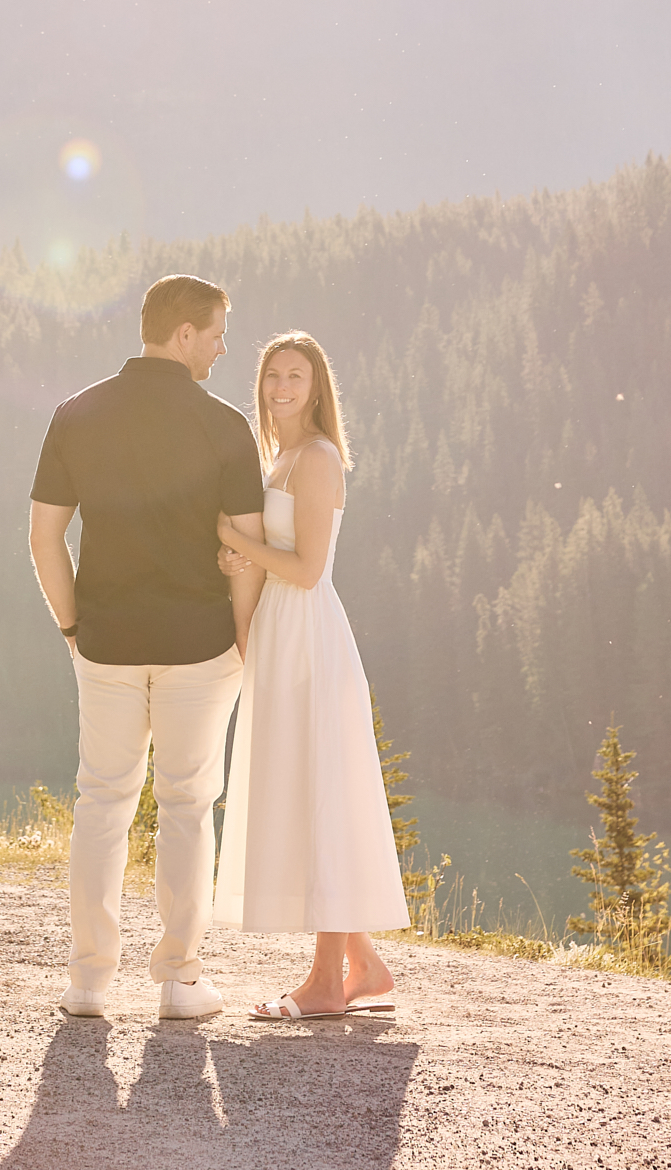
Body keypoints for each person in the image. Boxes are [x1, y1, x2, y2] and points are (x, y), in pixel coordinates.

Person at [28, 273, 267, 1021]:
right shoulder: (225, 425)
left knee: (102, 803)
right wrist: (243, 641)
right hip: (199, 644)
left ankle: (89, 983)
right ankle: (178, 981)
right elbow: (249, 549)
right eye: (218, 333)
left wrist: (74, 629)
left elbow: (44, 539)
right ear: (184, 334)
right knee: (188, 805)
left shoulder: (77, 413)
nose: (223, 348)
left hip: (106, 641)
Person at [212, 330, 410, 1017]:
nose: (281, 388)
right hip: (281, 635)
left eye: (295, 376)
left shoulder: (318, 458)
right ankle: (367, 969)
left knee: (322, 796)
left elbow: (307, 569)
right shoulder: (282, 459)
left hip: (309, 636)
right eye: (272, 377)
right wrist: (244, 558)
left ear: (316, 387)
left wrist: (236, 541)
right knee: (305, 790)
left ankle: (327, 984)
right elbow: (275, 555)